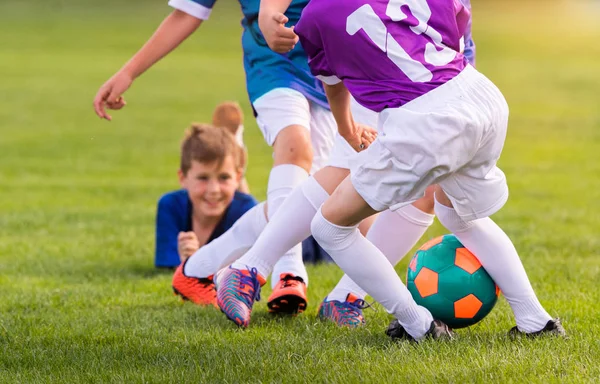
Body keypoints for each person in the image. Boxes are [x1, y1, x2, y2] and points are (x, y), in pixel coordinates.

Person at [216, 0, 565, 339]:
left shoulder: (316, 15)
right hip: (480, 97)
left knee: (329, 227)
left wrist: (347, 128)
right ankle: (536, 320)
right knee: (459, 215)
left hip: (427, 120)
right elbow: (454, 25)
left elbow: (333, 84)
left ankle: (418, 325)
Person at [201, 0, 472, 329]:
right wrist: (270, 11)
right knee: (345, 173)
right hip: (372, 65)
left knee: (423, 191)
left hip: (421, 87)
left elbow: (459, 45)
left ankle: (346, 296)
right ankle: (249, 269)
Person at [92, 0, 343, 314]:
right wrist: (128, 73)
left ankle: (197, 269)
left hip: (334, 68)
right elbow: (187, 13)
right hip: (272, 63)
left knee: (314, 197)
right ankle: (288, 273)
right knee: (295, 146)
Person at [155, 102, 254, 269]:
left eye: (223, 178)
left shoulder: (246, 209)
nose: (213, 190)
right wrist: (185, 260)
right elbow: (168, 267)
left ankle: (233, 149)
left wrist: (196, 262)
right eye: (203, 178)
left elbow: (248, 268)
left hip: (307, 240)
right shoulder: (171, 205)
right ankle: (231, 150)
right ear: (183, 178)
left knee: (252, 214)